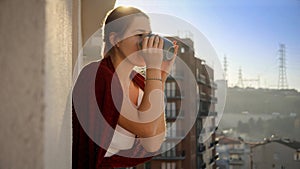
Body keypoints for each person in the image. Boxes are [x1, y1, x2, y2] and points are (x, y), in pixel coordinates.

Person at [72, 6, 178, 169]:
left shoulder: (139, 83)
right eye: (140, 35)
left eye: (148, 35)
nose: (147, 42)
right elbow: (147, 129)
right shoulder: (97, 76)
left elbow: (152, 144)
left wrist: (160, 79)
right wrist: (154, 70)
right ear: (116, 40)